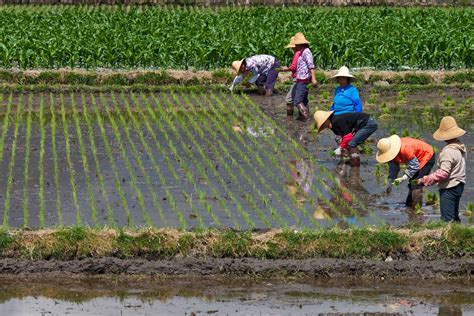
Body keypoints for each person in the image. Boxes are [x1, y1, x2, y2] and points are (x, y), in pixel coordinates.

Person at [417, 116, 466, 222]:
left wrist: (425, 179)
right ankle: (457, 233)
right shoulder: (460, 148)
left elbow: (443, 173)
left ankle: (450, 236)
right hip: (459, 184)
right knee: (454, 215)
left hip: (450, 186)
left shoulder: (448, 151)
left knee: (447, 219)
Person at [376, 135, 435, 208]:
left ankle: (417, 210)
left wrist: (404, 177)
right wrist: (390, 182)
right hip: (416, 159)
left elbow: (414, 166)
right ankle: (409, 206)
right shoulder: (391, 153)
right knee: (411, 183)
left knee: (416, 184)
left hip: (426, 155)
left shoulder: (405, 149)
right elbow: (394, 168)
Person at [291, 32, 318, 121]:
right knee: (304, 100)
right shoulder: (302, 52)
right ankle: (302, 117)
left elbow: (311, 65)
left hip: (303, 80)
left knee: (297, 101)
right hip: (301, 79)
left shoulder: (306, 52)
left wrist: (314, 78)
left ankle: (306, 117)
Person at [279, 36, 301, 116]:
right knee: (302, 99)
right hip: (302, 78)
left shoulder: (297, 54)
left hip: (297, 78)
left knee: (289, 99)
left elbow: (294, 67)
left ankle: (290, 118)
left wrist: (286, 69)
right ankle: (304, 117)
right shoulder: (303, 53)